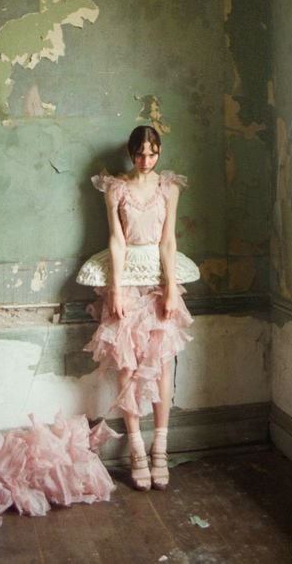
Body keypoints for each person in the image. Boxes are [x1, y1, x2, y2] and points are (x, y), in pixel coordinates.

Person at [76, 125, 200, 491]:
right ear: (132, 153)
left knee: (160, 363)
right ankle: (136, 451)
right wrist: (115, 289)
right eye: (140, 153)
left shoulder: (169, 188)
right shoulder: (116, 188)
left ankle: (160, 448)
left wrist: (171, 288)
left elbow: (168, 241)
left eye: (152, 153)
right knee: (127, 364)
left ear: (159, 152)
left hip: (158, 277)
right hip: (126, 276)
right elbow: (116, 240)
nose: (146, 160)